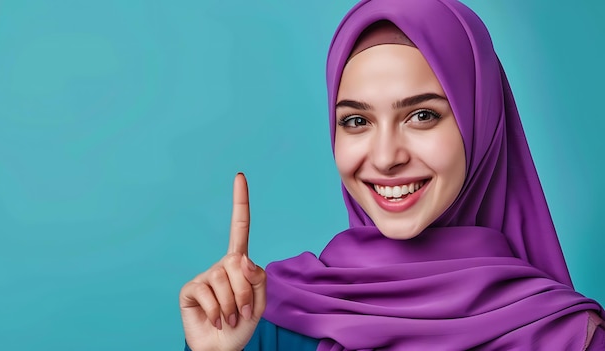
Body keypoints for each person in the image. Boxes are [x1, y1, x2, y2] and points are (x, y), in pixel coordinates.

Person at [179, 0, 605, 349]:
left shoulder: (569, 338)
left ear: (481, 124)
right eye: (357, 121)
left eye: (422, 115)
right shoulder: (267, 321)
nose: (385, 158)